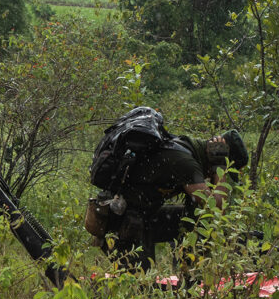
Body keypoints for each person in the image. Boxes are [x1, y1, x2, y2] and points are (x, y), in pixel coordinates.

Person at [86, 107, 248, 271]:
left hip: (142, 217)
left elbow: (202, 214)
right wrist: (219, 167)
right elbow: (215, 206)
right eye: (226, 172)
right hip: (125, 223)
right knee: (140, 286)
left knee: (197, 221)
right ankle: (184, 279)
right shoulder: (187, 163)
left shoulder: (187, 149)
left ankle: (187, 277)